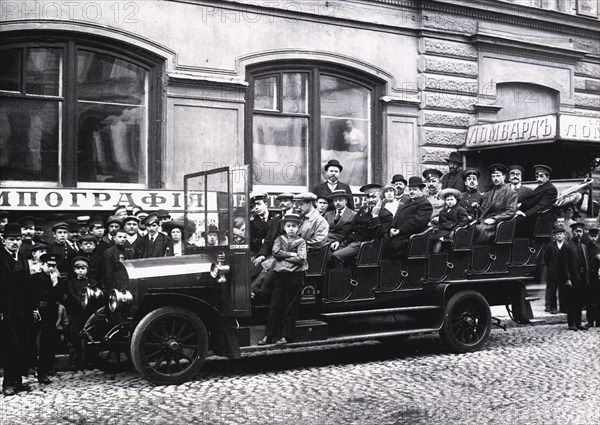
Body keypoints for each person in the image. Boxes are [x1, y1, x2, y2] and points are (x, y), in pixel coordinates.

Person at [257, 213, 307, 345]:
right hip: (280, 275)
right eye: (288, 226)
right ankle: (269, 336)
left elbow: (301, 259)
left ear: (298, 228)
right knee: (275, 305)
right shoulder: (279, 239)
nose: (291, 229)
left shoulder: (301, 242)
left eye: (294, 226)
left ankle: (286, 336)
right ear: (284, 227)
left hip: (295, 276)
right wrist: (291, 254)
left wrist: (283, 257)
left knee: (291, 306)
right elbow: (275, 253)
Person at [0, 223, 32, 396]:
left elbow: (27, 286)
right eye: (11, 239)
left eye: (18, 239)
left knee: (22, 344)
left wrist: (32, 308)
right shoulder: (1, 258)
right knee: (9, 346)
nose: (15, 243)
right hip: (6, 309)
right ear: (4, 240)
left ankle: (18, 381)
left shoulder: (22, 257)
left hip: (22, 309)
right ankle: (8, 383)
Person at [330, 184, 385, 268]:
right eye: (368, 197)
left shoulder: (385, 214)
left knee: (336, 255)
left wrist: (375, 216)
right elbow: (351, 226)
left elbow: (380, 235)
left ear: (381, 198)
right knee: (328, 253)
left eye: (373, 197)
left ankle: (342, 280)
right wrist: (338, 240)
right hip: (350, 241)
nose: (370, 200)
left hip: (364, 245)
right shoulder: (363, 209)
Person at [28, 253, 62, 384]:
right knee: (31, 339)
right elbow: (30, 295)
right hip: (38, 310)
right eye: (49, 265)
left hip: (51, 310)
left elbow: (60, 296)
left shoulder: (56, 279)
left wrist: (55, 283)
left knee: (48, 340)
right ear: (42, 265)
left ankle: (43, 371)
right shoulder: (35, 278)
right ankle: (27, 369)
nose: (51, 268)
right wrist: (34, 309)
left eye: (54, 266)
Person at [383, 177, 433, 259]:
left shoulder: (424, 204)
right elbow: (397, 215)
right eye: (410, 189)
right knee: (382, 241)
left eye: (414, 189)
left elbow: (417, 222)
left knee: (393, 246)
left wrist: (400, 230)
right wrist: (392, 227)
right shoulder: (407, 201)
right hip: (400, 233)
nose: (411, 192)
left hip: (412, 235)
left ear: (421, 191)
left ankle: (398, 270)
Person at [64, 256, 98, 370]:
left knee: (88, 337)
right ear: (74, 270)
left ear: (87, 270)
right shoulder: (71, 283)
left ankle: (89, 362)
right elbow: (72, 296)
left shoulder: (92, 283)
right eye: (78, 268)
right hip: (75, 314)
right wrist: (81, 303)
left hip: (88, 315)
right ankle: (74, 363)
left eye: (83, 268)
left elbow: (95, 297)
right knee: (74, 338)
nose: (80, 271)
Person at [474, 164, 517, 245]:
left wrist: (495, 219)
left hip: (499, 224)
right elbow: (484, 209)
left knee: (479, 229)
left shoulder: (511, 193)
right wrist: (478, 207)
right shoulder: (488, 193)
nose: (495, 178)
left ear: (504, 177)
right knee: (469, 228)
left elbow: (510, 211)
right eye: (493, 176)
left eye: (498, 176)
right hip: (485, 221)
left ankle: (483, 253)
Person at [515, 164, 558, 237]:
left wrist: (525, 214)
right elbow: (531, 201)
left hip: (538, 218)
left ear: (547, 177)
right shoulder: (542, 187)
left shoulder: (551, 189)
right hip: (533, 216)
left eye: (541, 176)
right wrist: (519, 206)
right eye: (537, 177)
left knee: (517, 221)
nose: (538, 179)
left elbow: (540, 205)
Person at [564, 222, 590, 331]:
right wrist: (567, 278)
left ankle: (578, 323)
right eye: (576, 231)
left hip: (583, 277)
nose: (578, 234)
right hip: (573, 278)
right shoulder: (567, 245)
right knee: (572, 301)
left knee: (580, 301)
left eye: (580, 231)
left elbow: (586, 263)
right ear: (572, 232)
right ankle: (571, 324)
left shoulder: (584, 247)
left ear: (583, 233)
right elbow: (564, 264)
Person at [430, 188, 469, 253]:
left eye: (451, 199)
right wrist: (437, 228)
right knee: (431, 236)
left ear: (456, 200)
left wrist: (454, 230)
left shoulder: (460, 210)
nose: (449, 201)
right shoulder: (443, 211)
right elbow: (440, 223)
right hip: (443, 230)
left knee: (440, 238)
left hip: (452, 231)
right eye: (447, 200)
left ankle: (436, 254)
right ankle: (434, 255)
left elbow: (464, 222)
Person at [542, 226, 569, 315]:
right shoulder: (550, 246)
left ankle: (564, 307)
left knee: (563, 290)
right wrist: (551, 267)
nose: (559, 236)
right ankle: (553, 307)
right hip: (553, 272)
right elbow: (546, 259)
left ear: (564, 235)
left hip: (563, 272)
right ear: (554, 236)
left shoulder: (567, 246)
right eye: (557, 234)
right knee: (552, 290)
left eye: (561, 234)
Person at [585, 226, 600, 327]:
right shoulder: (585, 247)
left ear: (598, 236)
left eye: (595, 236)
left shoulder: (599, 248)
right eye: (592, 236)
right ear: (589, 236)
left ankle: (599, 320)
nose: (593, 238)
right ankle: (590, 320)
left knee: (598, 299)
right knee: (589, 299)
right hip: (589, 276)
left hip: (598, 276)